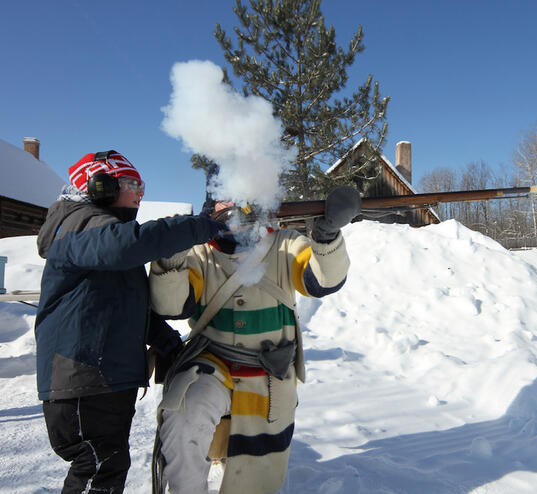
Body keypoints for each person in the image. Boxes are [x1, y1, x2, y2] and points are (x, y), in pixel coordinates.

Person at [34, 150, 228, 494]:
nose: (140, 193)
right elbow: (128, 245)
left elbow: (124, 301)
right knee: (98, 467)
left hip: (102, 380)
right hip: (82, 379)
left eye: (141, 185)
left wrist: (162, 336)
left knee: (106, 467)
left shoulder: (100, 234)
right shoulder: (80, 223)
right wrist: (203, 225)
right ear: (99, 187)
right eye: (130, 184)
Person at [149, 185, 360, 494]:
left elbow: (321, 281)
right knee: (184, 414)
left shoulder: (287, 244)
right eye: (225, 195)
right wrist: (171, 256)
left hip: (268, 372)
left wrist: (326, 237)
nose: (236, 204)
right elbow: (171, 307)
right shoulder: (197, 252)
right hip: (211, 363)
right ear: (211, 203)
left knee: (257, 474)